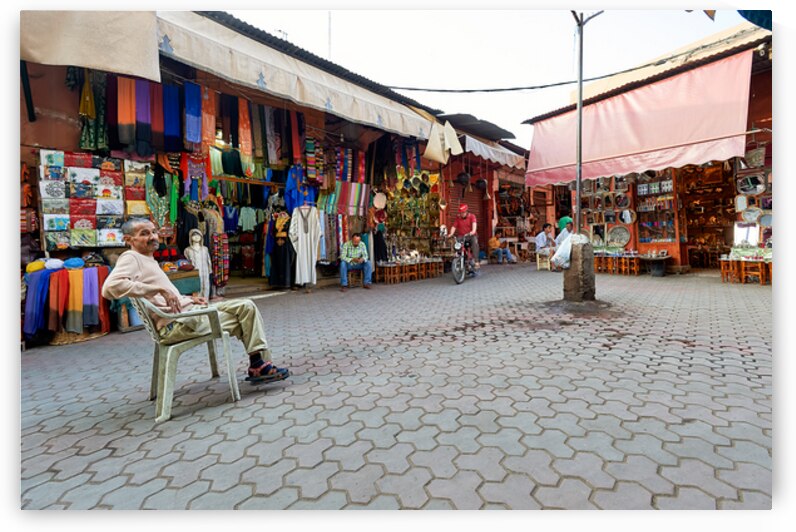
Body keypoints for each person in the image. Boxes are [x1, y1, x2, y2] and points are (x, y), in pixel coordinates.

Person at [102, 218, 289, 384]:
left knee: (247, 307)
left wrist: (188, 298)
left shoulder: (147, 258)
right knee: (246, 320)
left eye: (153, 231)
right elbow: (109, 288)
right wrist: (158, 289)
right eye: (144, 234)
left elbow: (164, 296)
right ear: (128, 240)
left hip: (187, 314)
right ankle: (259, 365)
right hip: (177, 325)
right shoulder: (131, 258)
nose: (152, 236)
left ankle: (258, 364)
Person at [448, 204, 480, 269]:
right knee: (455, 242)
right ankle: (458, 257)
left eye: (463, 212)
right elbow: (454, 226)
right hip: (462, 236)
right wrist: (451, 234)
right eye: (460, 213)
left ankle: (476, 262)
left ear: (466, 211)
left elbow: (474, 225)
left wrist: (473, 231)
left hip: (470, 235)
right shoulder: (458, 218)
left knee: (475, 242)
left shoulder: (472, 216)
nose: (461, 214)